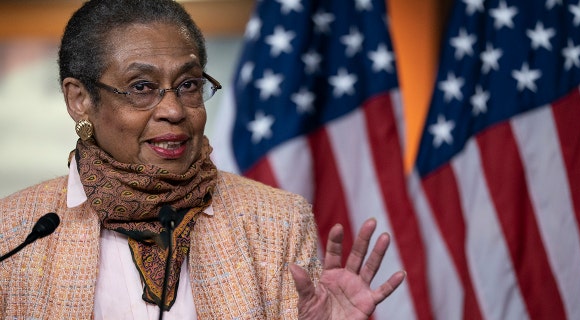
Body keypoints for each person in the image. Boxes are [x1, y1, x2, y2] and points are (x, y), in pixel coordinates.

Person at [0, 0, 405, 319]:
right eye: (142, 87)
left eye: (188, 85)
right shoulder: (13, 235)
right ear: (80, 100)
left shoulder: (278, 222)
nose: (174, 110)